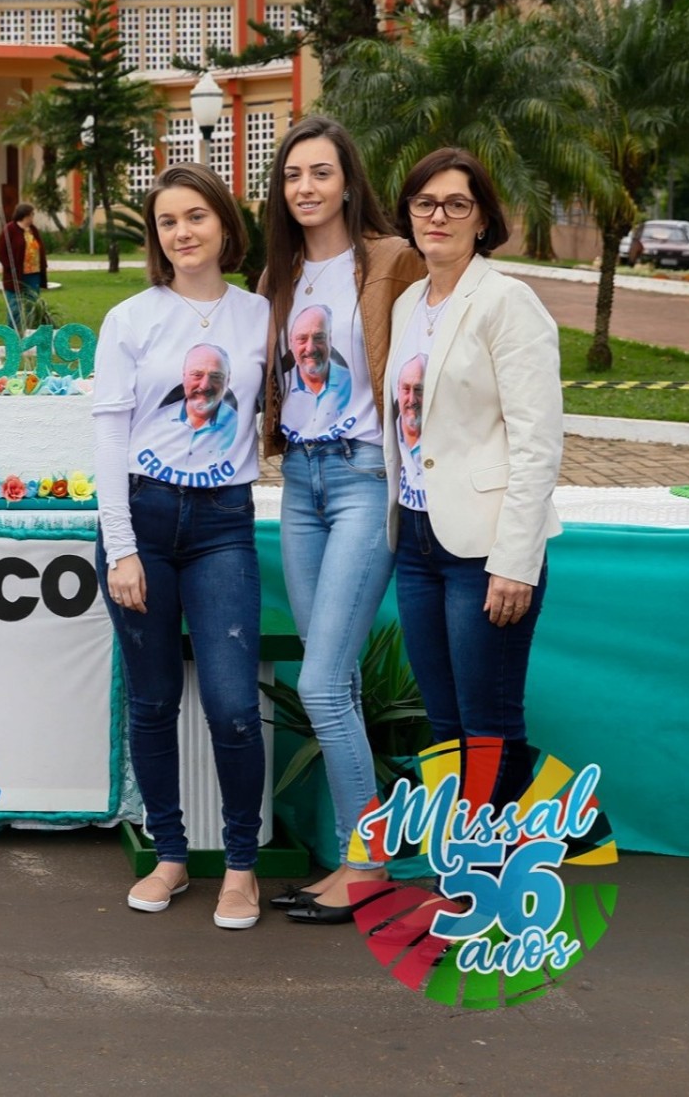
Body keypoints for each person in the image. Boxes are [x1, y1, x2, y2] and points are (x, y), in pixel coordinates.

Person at [255, 115, 425, 924]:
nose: (306, 188)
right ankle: (357, 862)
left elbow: (430, 358)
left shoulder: (391, 261)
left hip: (364, 478)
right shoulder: (278, 276)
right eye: (293, 176)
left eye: (319, 173)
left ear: (348, 182)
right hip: (301, 483)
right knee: (338, 680)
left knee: (321, 681)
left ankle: (368, 865)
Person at [92, 163, 271, 930]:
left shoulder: (262, 314)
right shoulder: (131, 319)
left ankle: (240, 867)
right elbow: (108, 435)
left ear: (225, 225)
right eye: (168, 222)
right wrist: (122, 547)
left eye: (195, 216)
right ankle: (170, 854)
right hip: (142, 519)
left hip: (223, 523)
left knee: (233, 705)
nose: (183, 232)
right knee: (155, 700)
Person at [384, 148, 563, 815]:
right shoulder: (409, 303)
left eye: (457, 204)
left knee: (488, 726)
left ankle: (492, 887)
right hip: (418, 540)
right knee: (445, 725)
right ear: (408, 212)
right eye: (425, 203)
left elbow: (537, 442)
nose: (439, 216)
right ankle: (459, 865)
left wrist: (516, 561)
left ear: (483, 218)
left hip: (485, 550)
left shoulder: (508, 303)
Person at [0, 203, 47, 329]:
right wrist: (10, 267)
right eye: (31, 215)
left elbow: (39, 248)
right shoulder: (10, 230)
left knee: (32, 305)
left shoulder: (33, 230)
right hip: (15, 275)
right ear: (25, 216)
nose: (33, 217)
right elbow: (1, 252)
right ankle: (14, 333)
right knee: (15, 307)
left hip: (33, 274)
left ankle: (30, 332)